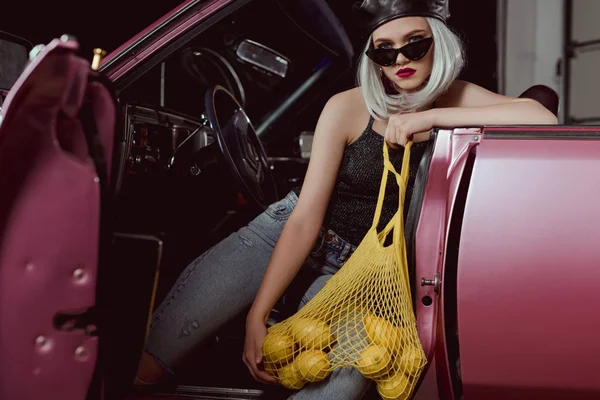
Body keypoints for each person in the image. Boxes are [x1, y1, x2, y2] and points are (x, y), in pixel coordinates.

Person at [135, 0, 558, 398]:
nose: (401, 61)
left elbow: (541, 116)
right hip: (281, 236)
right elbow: (304, 219)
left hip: (363, 269)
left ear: (437, 42)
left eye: (415, 44)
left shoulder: (457, 98)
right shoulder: (348, 107)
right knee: (153, 362)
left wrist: (430, 117)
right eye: (384, 51)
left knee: (347, 378)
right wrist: (256, 314)